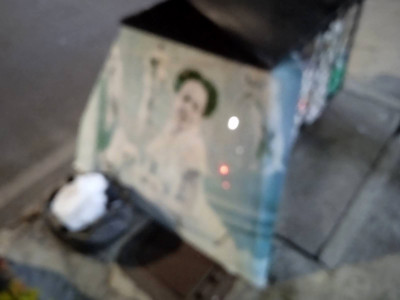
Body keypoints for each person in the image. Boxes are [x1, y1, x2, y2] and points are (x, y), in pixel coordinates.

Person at [137, 69, 226, 242]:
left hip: (197, 232)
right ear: (175, 97)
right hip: (161, 218)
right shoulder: (167, 134)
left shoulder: (193, 147)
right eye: (185, 98)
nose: (187, 108)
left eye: (195, 107)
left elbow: (188, 209)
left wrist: (156, 196)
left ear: (200, 117)